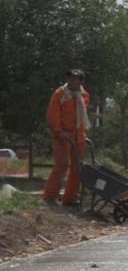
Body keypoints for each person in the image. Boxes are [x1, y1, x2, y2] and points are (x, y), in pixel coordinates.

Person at [43, 69, 91, 207]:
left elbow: (82, 117)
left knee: (78, 167)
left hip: (78, 135)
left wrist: (82, 135)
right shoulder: (59, 93)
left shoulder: (84, 95)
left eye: (76, 78)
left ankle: (70, 199)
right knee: (62, 165)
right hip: (62, 135)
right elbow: (52, 115)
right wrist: (59, 131)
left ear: (81, 81)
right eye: (70, 77)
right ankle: (50, 197)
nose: (72, 80)